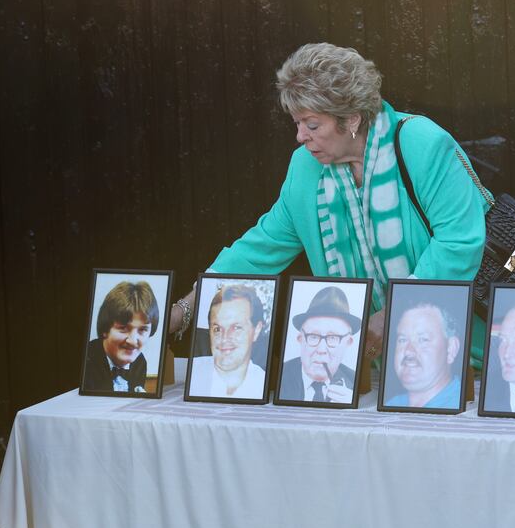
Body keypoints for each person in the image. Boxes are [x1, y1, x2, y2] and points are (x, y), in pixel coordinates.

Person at [168, 43, 489, 365]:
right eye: (296, 124)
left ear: (350, 120)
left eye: (312, 125)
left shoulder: (423, 143)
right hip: (368, 367)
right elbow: (259, 249)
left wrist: (395, 312)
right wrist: (183, 310)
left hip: (463, 356)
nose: (300, 137)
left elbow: (458, 242)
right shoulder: (305, 168)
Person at [279, 286, 360, 403]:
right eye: (313, 336)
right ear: (300, 339)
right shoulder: (280, 377)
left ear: (348, 342)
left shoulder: (354, 382)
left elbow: (371, 352)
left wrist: (350, 406)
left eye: (333, 338)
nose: (321, 349)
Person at [188, 284, 266, 399]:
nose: (224, 338)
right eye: (217, 329)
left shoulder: (261, 383)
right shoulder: (193, 374)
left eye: (236, 328)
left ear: (257, 330)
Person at [84, 281, 159, 393]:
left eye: (143, 329)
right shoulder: (87, 359)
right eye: (123, 328)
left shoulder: (140, 362)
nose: (133, 341)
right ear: (105, 329)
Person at [384, 303, 462, 409]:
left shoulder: (458, 405)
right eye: (402, 340)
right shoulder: (392, 404)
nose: (408, 351)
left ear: (451, 349)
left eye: (423, 340)